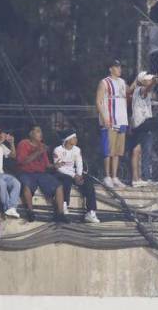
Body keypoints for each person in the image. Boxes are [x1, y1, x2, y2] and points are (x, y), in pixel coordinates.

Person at [15, 124, 68, 222]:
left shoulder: (41, 146)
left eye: (41, 131)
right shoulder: (23, 143)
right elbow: (23, 161)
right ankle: (30, 212)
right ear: (31, 133)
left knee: (59, 186)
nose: (41, 134)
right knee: (26, 186)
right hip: (26, 173)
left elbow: (47, 165)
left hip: (41, 174)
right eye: (38, 131)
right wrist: (38, 152)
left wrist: (55, 165)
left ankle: (60, 214)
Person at [53, 130, 100, 223]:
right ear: (68, 140)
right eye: (74, 138)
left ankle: (91, 212)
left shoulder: (77, 149)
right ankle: (64, 205)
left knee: (88, 181)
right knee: (65, 180)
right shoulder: (58, 150)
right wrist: (74, 175)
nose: (76, 139)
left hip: (74, 174)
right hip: (62, 173)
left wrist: (79, 175)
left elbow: (79, 163)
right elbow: (59, 168)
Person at [96, 60, 129, 188]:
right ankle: (107, 176)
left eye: (120, 67)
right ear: (110, 69)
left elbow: (127, 95)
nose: (120, 69)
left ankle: (115, 177)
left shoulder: (122, 82)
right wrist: (104, 117)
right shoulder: (104, 82)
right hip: (109, 120)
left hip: (122, 120)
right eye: (117, 67)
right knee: (108, 150)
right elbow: (98, 101)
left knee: (117, 151)